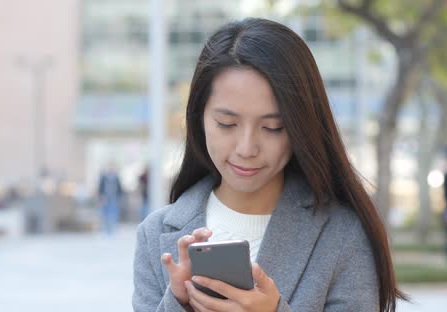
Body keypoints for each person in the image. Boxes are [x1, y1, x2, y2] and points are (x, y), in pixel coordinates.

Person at [133, 18, 405, 312]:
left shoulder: (342, 234)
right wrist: (178, 304)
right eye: (227, 124)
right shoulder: (155, 234)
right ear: (199, 119)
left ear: (301, 127)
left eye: (273, 127)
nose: (247, 148)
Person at [97, 164, 123, 235]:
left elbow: (120, 189)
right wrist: (101, 197)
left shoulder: (116, 178)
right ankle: (105, 229)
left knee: (113, 214)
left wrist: (119, 198)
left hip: (114, 198)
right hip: (105, 198)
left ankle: (112, 229)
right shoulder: (104, 178)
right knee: (105, 214)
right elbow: (100, 188)